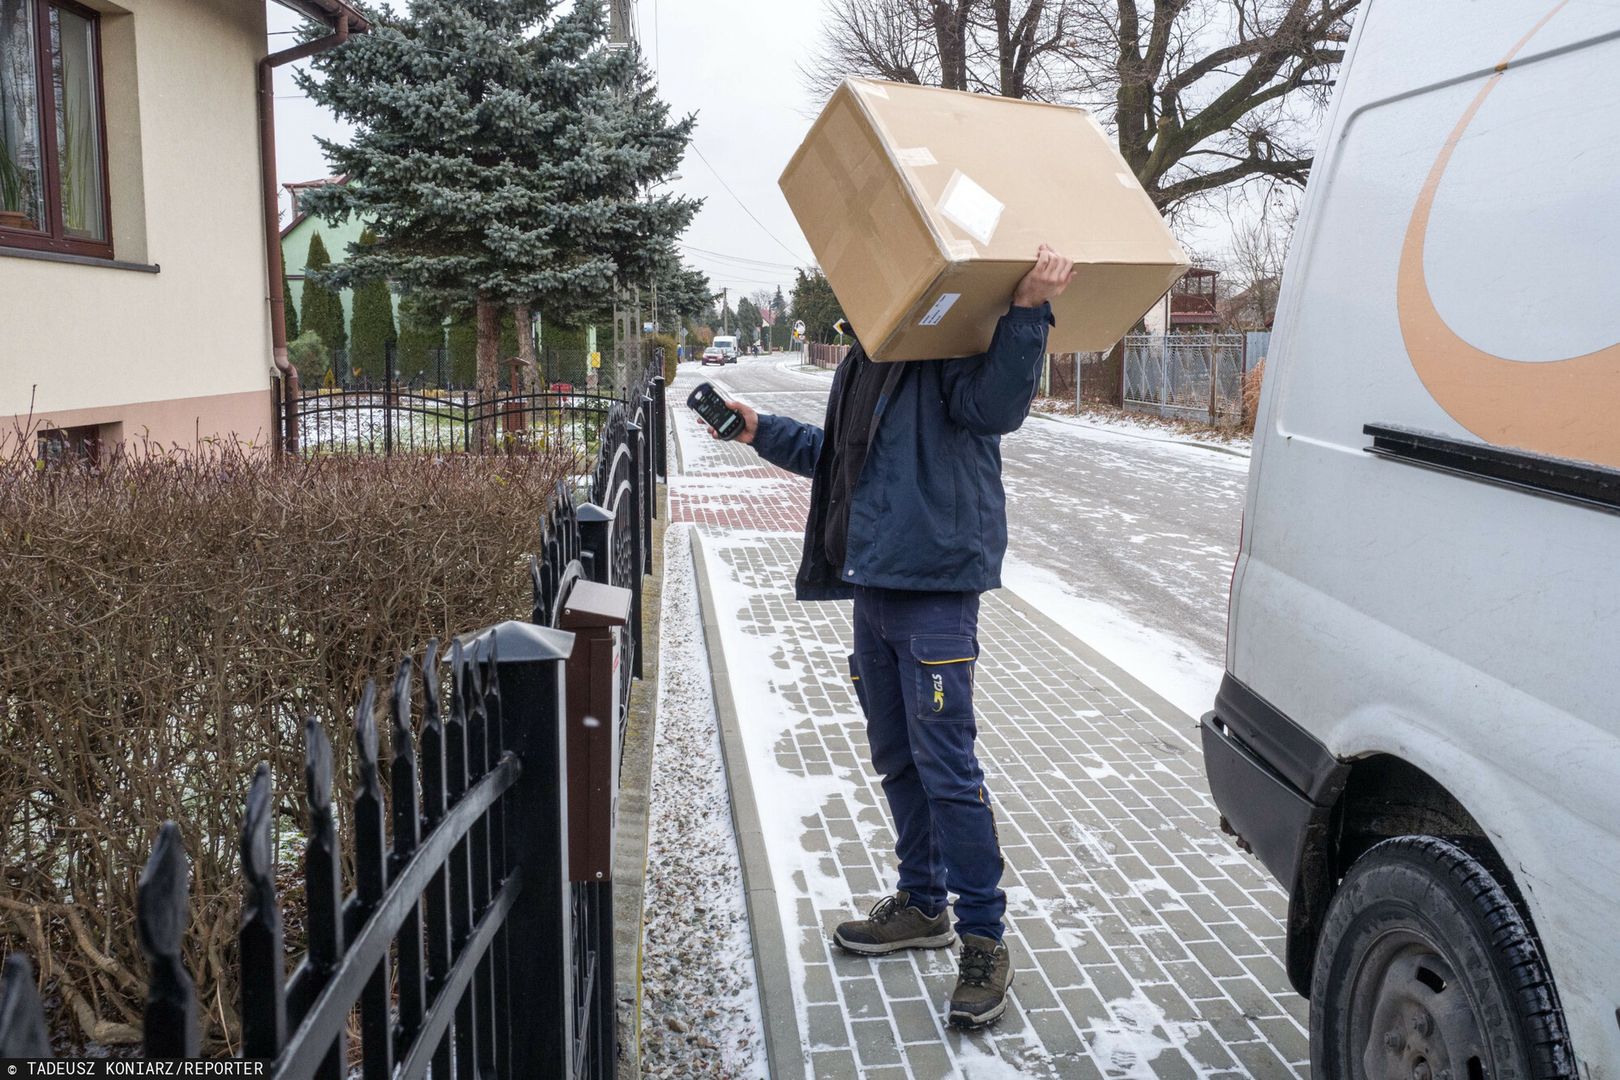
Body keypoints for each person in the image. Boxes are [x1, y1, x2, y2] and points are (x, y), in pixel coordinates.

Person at [710, 245, 1075, 1029]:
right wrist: (758, 430)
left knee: (948, 769)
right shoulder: (864, 357)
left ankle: (984, 938)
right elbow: (840, 462)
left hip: (936, 590)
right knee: (897, 758)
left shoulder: (951, 339)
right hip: (870, 586)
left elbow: (996, 410)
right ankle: (921, 903)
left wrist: (1028, 314)